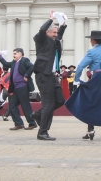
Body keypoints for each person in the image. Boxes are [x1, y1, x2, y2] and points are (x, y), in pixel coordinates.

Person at [31, 10, 67, 141]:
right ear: (48, 32)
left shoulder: (53, 42)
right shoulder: (40, 39)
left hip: (52, 75)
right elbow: (41, 30)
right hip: (42, 74)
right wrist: (51, 19)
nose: (55, 35)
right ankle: (42, 132)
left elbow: (59, 37)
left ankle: (38, 115)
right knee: (48, 104)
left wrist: (63, 24)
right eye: (53, 33)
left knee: (59, 100)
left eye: (56, 33)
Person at [0, 48, 37, 130]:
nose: (13, 55)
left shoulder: (24, 60)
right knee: (12, 106)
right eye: (13, 53)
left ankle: (32, 123)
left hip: (23, 87)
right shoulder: (14, 63)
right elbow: (5, 63)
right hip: (15, 88)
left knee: (25, 106)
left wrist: (26, 75)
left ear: (20, 54)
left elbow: (32, 67)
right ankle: (19, 124)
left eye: (15, 53)